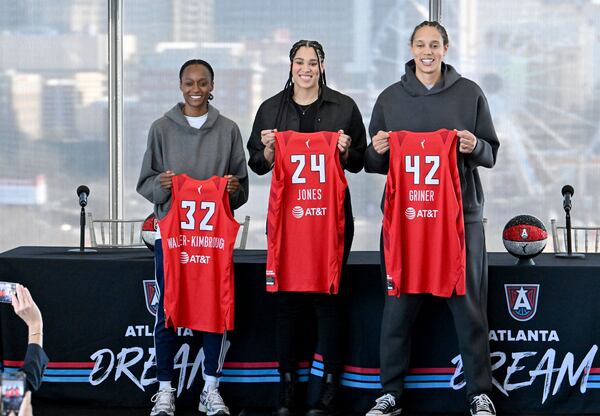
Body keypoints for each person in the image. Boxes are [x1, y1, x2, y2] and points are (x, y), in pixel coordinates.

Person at [364, 21, 499, 416]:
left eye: (434, 44)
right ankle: (390, 394)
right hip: (406, 219)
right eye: (421, 44)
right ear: (411, 47)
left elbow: (491, 153)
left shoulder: (470, 93)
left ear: (445, 48)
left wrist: (475, 146)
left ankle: (479, 392)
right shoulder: (390, 98)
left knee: (469, 307)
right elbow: (373, 163)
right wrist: (377, 148)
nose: (427, 51)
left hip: (461, 220)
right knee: (397, 306)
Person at [247, 40, 366, 416]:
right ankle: (287, 391)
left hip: (330, 219)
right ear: (291, 65)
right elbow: (257, 163)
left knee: (328, 299)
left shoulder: (344, 107)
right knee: (287, 301)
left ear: (322, 65)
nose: (306, 68)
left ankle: (329, 390)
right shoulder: (270, 108)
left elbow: (361, 160)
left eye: (312, 62)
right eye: (299, 62)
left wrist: (345, 149)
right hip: (286, 220)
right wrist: (268, 149)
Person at [137, 59, 249, 416]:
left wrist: (231, 190)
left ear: (212, 85)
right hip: (173, 241)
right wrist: (161, 186)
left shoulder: (228, 129)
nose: (196, 89)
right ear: (180, 85)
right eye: (189, 82)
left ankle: (210, 389)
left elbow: (241, 189)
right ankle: (166, 389)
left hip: (212, 241)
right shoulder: (160, 128)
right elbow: (145, 183)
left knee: (214, 312)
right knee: (167, 312)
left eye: (202, 82)